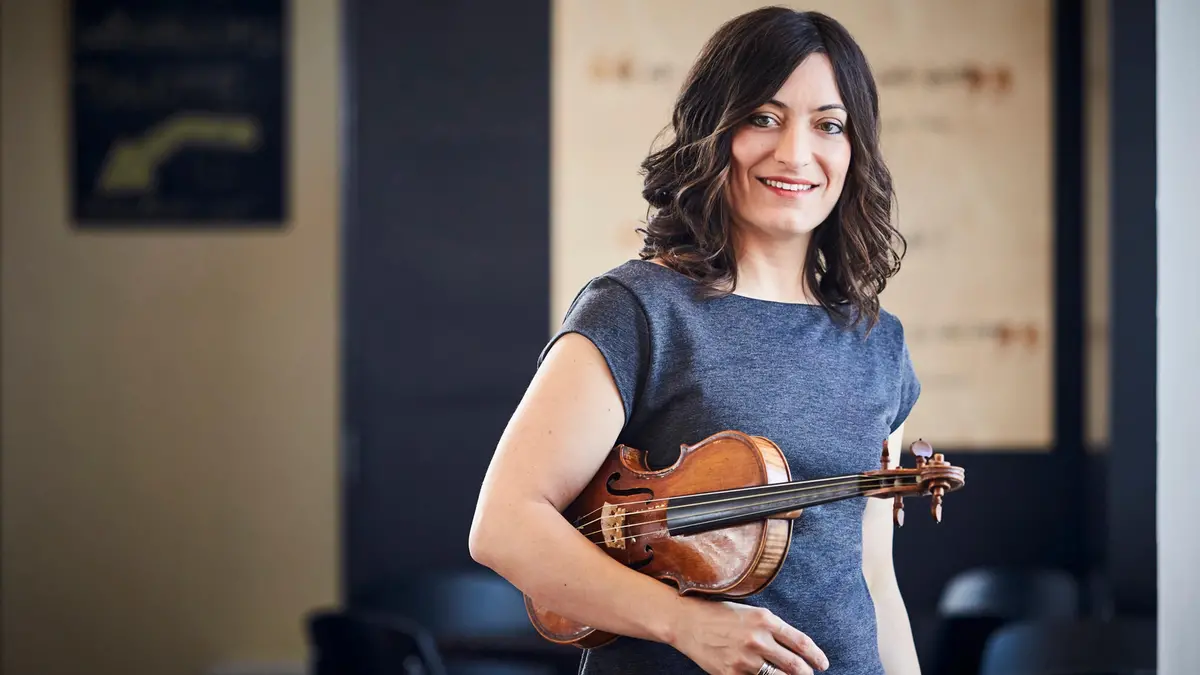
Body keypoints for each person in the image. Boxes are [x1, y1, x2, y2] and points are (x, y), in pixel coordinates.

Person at [469, 7, 922, 675]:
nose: (795, 152)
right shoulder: (637, 309)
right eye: (763, 118)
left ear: (853, 152)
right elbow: (504, 524)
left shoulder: (878, 343)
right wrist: (686, 623)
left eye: (829, 125)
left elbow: (875, 581)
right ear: (716, 132)